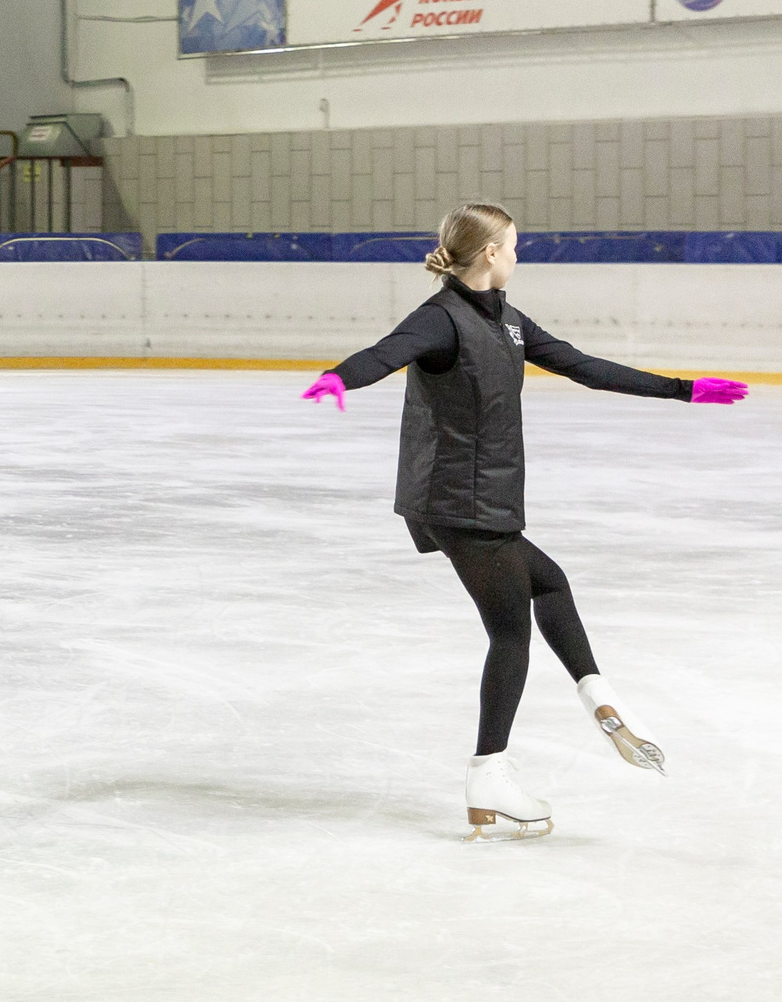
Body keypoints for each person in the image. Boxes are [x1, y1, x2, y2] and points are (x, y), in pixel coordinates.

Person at [302, 200, 747, 839]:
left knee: (550, 582)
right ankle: (489, 772)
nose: (518, 254)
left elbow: (585, 367)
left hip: (488, 498)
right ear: (489, 253)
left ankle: (597, 694)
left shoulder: (507, 321)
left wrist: (681, 388)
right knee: (511, 634)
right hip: (460, 501)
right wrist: (339, 377)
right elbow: (386, 351)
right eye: (513, 245)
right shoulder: (441, 319)